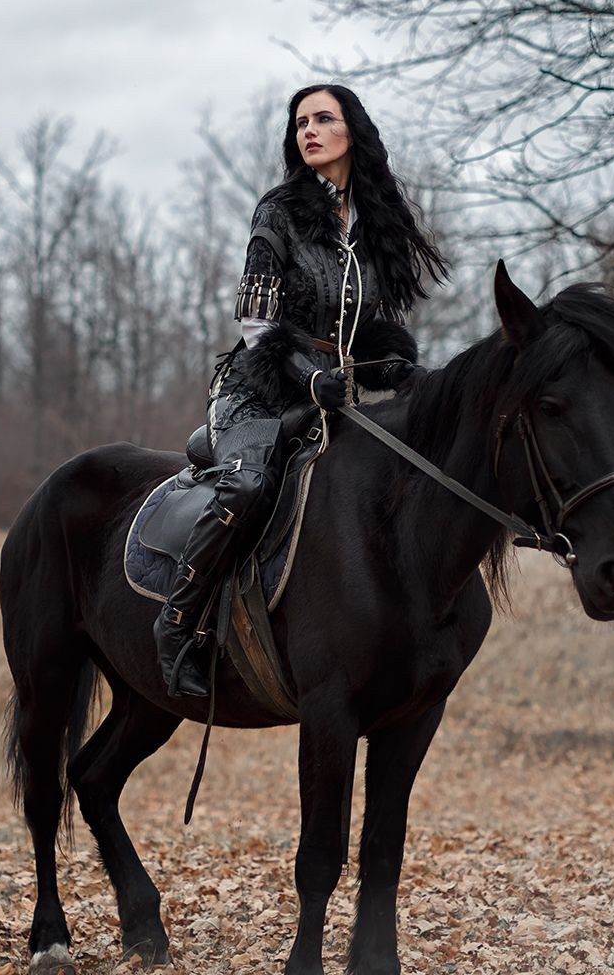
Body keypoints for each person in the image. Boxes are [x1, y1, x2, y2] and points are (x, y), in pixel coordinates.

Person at [153, 83, 450, 697]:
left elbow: (360, 328)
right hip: (260, 391)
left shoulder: (372, 224)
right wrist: (308, 378)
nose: (307, 131)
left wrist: (392, 365)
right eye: (299, 123)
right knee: (249, 483)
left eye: (322, 119)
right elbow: (258, 327)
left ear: (353, 131)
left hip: (332, 396)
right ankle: (176, 625)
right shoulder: (279, 210)